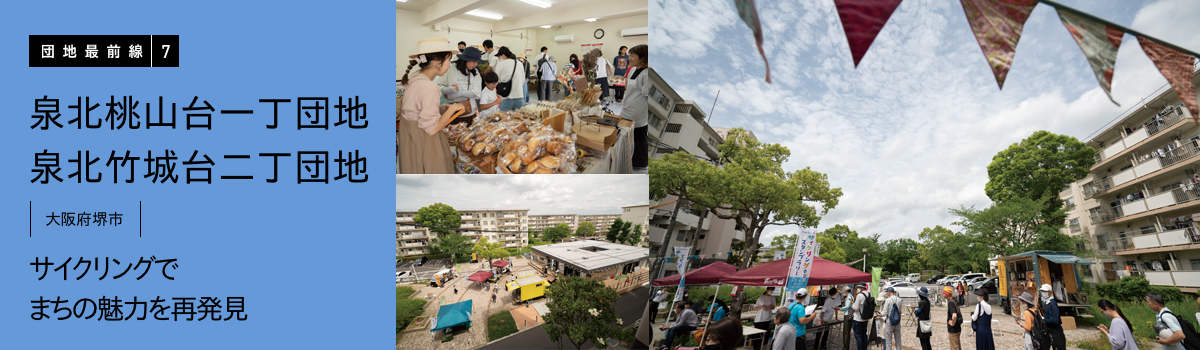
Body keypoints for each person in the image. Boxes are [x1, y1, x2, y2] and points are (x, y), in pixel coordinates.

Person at [398, 37, 463, 174]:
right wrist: (452, 108)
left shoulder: (414, 81)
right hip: (424, 143)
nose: (449, 66)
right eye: (448, 61)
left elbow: (416, 112)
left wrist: (441, 109)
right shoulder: (429, 86)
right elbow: (432, 129)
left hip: (411, 144)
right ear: (437, 62)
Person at [622, 44, 650, 172]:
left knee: (639, 138)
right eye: (630, 55)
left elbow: (648, 96)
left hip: (638, 112)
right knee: (627, 136)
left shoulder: (647, 74)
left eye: (633, 55)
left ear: (642, 58)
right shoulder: (633, 70)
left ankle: (640, 164)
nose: (630, 58)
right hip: (627, 108)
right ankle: (627, 159)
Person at [494, 47, 526, 111]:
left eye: (499, 56)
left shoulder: (500, 65)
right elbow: (522, 80)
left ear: (503, 55)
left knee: (505, 119)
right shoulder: (519, 63)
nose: (499, 58)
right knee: (520, 118)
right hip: (519, 96)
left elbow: (497, 80)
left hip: (506, 97)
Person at [1040, 284, 1066, 350]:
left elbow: (1056, 320)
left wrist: (1044, 320)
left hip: (1056, 332)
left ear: (1049, 292)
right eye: (1042, 291)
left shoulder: (1053, 304)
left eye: (1045, 291)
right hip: (1049, 331)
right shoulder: (1046, 303)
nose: (1043, 293)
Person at [851, 283, 870, 350]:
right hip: (865, 318)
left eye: (858, 287)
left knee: (858, 336)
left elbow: (856, 308)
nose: (858, 289)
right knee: (864, 335)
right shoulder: (869, 294)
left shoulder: (859, 295)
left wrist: (852, 304)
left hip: (858, 319)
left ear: (861, 287)